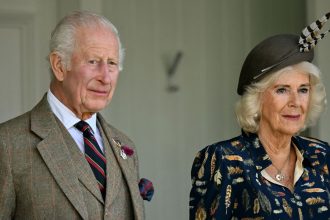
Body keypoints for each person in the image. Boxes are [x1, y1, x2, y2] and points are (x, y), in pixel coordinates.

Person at [0, 11, 153, 219]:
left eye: (112, 63)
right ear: (59, 66)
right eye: (93, 61)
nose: (105, 78)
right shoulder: (7, 144)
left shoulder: (126, 146)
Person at [189, 12, 330, 219]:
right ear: (257, 99)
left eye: (303, 89)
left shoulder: (322, 155)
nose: (295, 102)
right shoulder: (223, 160)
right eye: (282, 90)